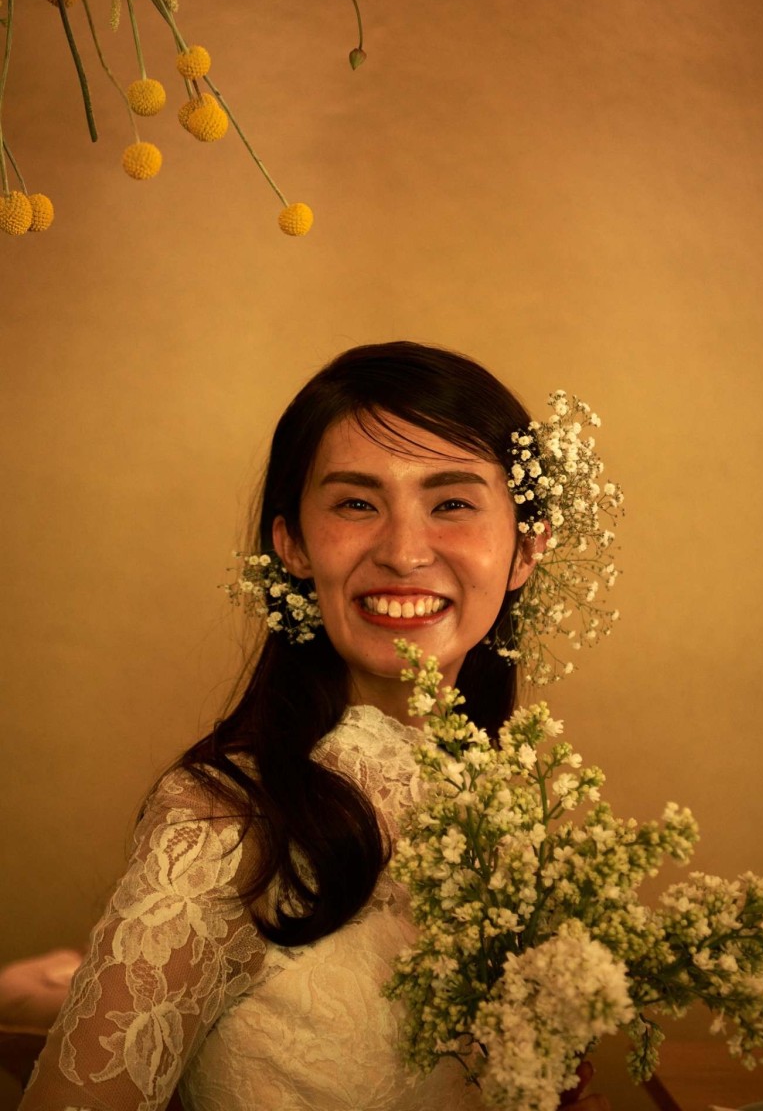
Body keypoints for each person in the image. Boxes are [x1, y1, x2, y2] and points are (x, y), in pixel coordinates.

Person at [19, 341, 613, 1111]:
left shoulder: (513, 805)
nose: (403, 552)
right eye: (357, 504)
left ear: (526, 549)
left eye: (452, 503)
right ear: (293, 545)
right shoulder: (221, 823)